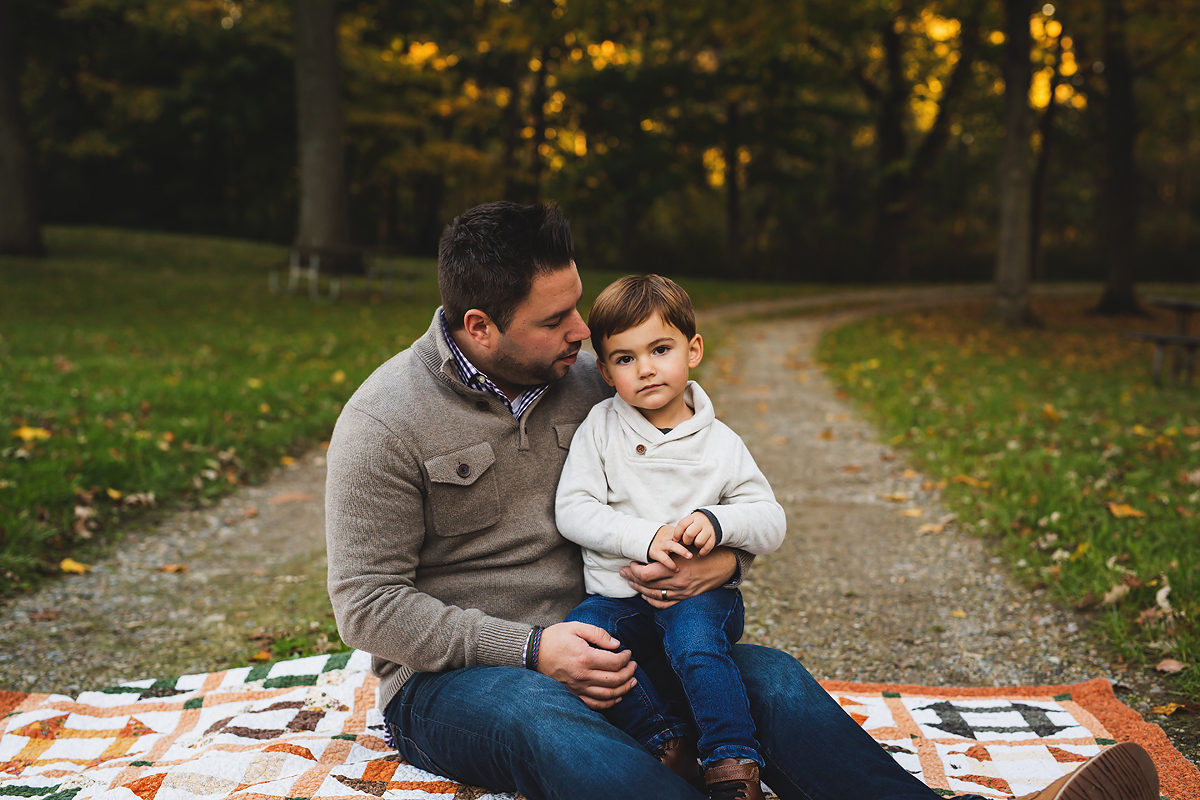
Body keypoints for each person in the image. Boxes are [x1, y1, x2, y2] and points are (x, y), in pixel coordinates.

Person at [324, 200, 1160, 800]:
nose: (583, 333)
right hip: (467, 679)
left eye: (579, 307)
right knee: (548, 724)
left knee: (775, 686)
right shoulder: (384, 422)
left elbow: (714, 483)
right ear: (478, 327)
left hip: (627, 624)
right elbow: (365, 606)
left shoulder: (595, 378)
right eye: (557, 319)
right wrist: (531, 646)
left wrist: (725, 553)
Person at [555, 274, 785, 799]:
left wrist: (720, 522)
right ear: (606, 372)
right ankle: (666, 742)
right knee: (588, 640)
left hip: (701, 599)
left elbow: (771, 520)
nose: (647, 369)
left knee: (695, 644)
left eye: (661, 349)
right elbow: (573, 510)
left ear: (693, 349)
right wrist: (645, 536)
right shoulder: (601, 427)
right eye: (625, 359)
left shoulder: (721, 444)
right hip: (619, 598)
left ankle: (731, 760)